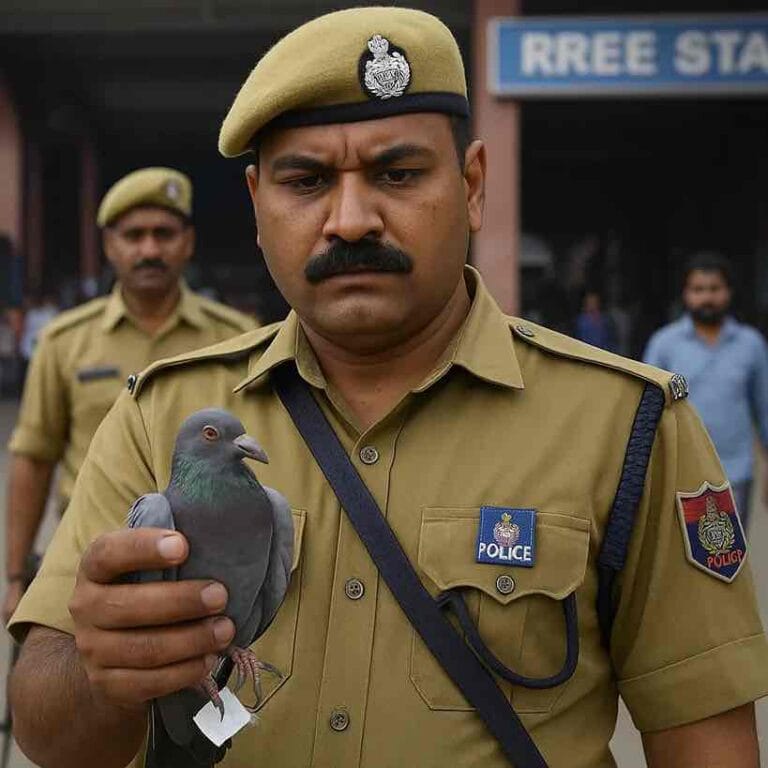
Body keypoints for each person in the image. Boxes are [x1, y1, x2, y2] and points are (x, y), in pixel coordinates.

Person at [8, 9, 768, 768]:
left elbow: (707, 742)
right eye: (306, 181)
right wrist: (106, 672)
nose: (350, 221)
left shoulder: (626, 424)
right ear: (257, 205)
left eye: (398, 174)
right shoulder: (162, 414)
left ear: (472, 185)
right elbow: (46, 729)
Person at [3, 167, 256, 623]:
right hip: (90, 569)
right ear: (109, 246)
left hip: (205, 575)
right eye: (134, 235)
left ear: (188, 242)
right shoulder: (65, 342)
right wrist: (17, 578)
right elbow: (35, 457)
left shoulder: (236, 339)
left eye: (164, 234)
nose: (150, 250)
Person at [644, 253, 768, 530]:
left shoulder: (751, 344)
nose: (707, 297)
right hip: (680, 473)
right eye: (698, 289)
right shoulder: (664, 344)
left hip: (734, 473)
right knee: (683, 553)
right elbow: (646, 409)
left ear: (728, 292)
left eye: (714, 289)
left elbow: (764, 409)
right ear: (686, 294)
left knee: (731, 550)